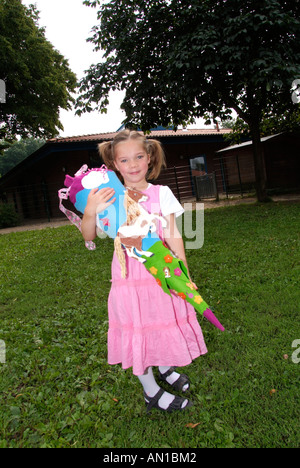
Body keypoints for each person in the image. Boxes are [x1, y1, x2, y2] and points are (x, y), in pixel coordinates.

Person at [81, 130, 207, 413]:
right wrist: (90, 210)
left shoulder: (162, 193)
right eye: (124, 160)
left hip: (161, 274)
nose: (133, 164)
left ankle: (164, 366)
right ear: (115, 164)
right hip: (129, 281)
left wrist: (182, 269)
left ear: (149, 158)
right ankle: (150, 392)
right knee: (139, 328)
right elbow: (88, 236)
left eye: (139, 156)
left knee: (161, 320)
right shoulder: (110, 198)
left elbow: (173, 233)